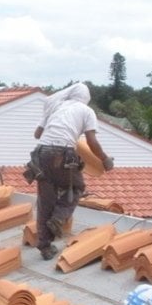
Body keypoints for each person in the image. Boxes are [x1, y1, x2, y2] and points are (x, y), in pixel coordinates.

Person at [30, 82, 114, 261]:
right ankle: (59, 218)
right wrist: (105, 160)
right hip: (61, 154)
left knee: (45, 201)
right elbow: (91, 141)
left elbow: (37, 134)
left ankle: (45, 247)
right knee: (76, 188)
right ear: (86, 99)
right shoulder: (86, 111)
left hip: (40, 154)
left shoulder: (56, 106)